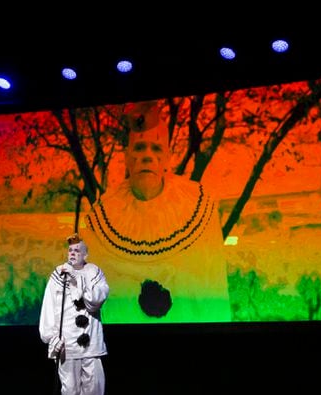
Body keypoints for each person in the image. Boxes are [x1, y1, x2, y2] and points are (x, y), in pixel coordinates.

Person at [80, 100, 231, 323]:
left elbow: (213, 284)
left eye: (156, 148)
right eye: (140, 148)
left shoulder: (199, 207)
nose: (147, 156)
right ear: (128, 158)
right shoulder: (103, 217)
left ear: (166, 159)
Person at [39, 233, 109, 395]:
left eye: (77, 250)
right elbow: (49, 306)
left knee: (94, 387)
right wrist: (51, 336)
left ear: (85, 254)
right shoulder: (58, 274)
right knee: (69, 389)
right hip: (67, 342)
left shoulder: (94, 272)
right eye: (70, 250)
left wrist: (78, 282)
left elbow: (96, 300)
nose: (73, 254)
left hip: (91, 342)